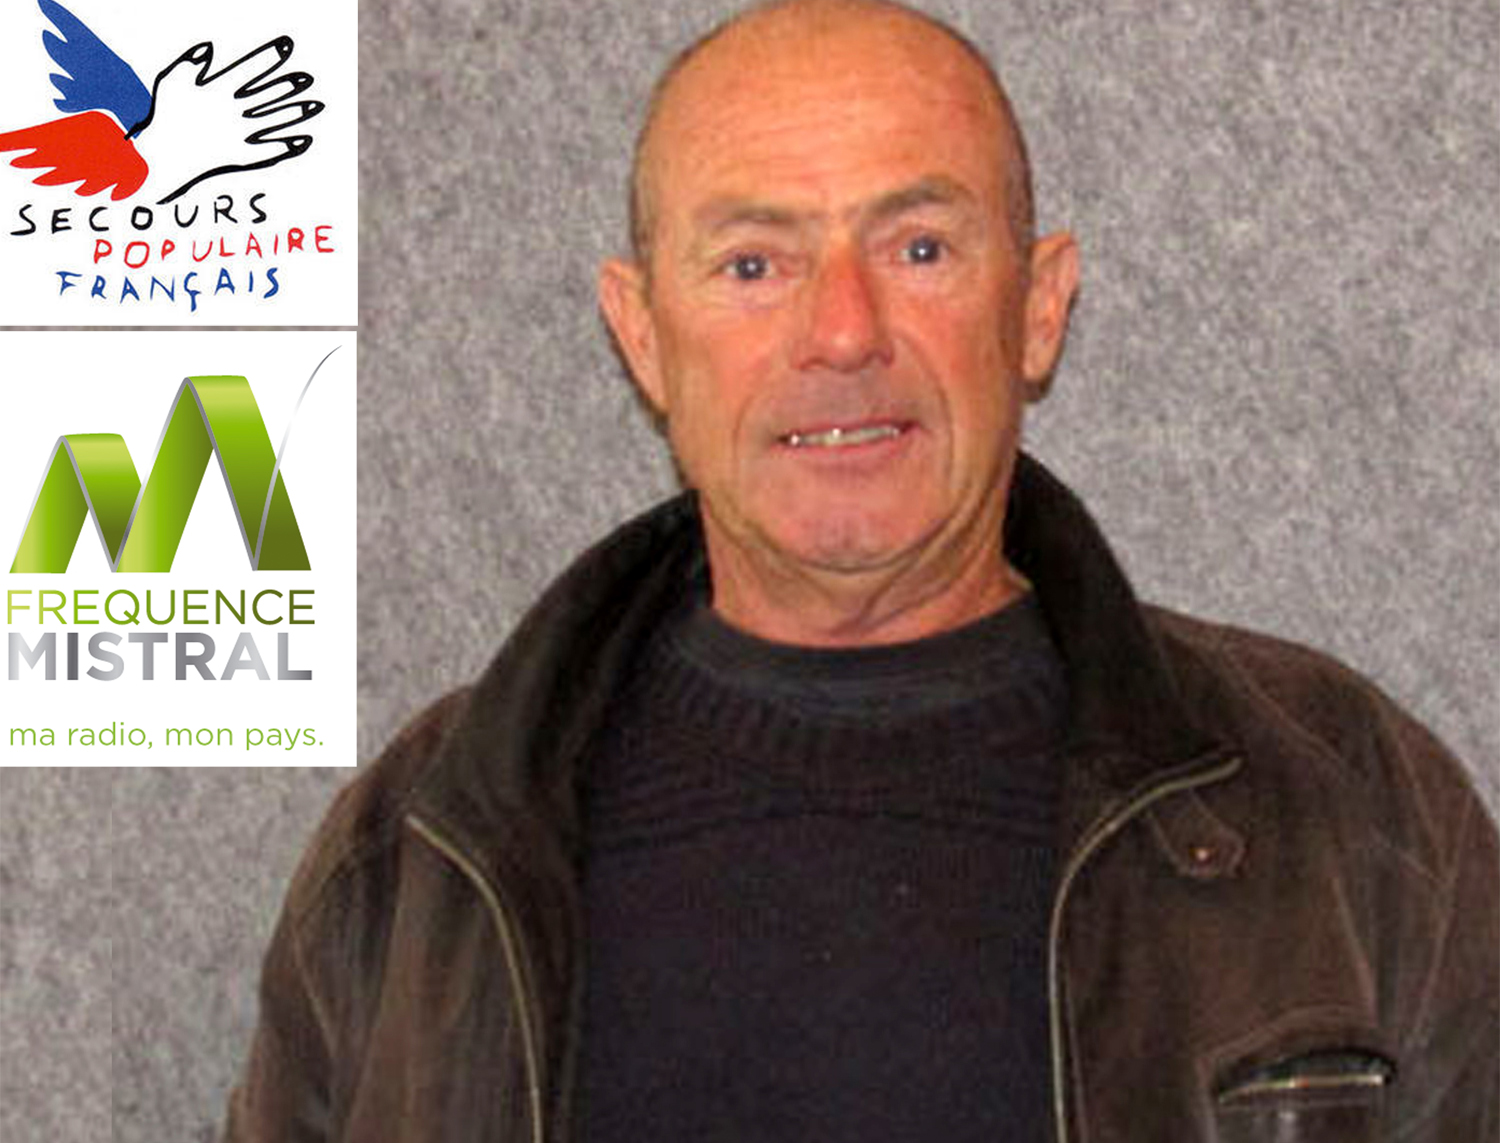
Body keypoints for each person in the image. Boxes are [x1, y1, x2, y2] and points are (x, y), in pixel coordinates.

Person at [223, 1, 1498, 1139]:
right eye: (753, 264)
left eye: (921, 249)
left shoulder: (1351, 809)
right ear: (643, 334)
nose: (842, 332)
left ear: (1038, 306)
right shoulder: (416, 853)